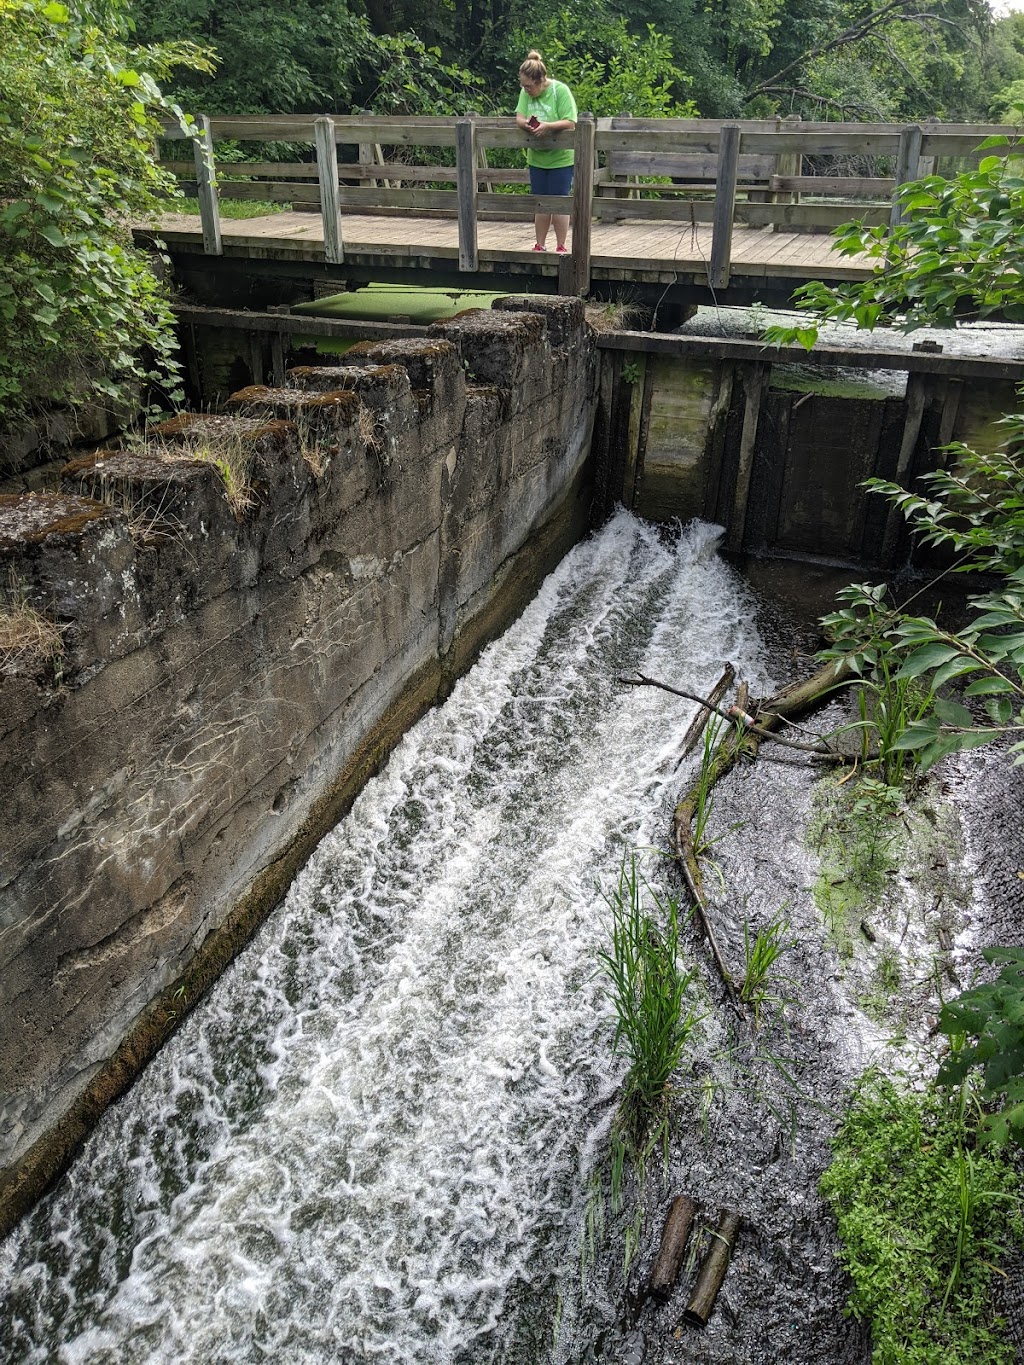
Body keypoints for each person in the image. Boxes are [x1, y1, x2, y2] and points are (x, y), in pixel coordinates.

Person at [515, 50, 578, 254]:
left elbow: (570, 122)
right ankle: (540, 244)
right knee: (540, 202)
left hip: (561, 158)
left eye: (529, 86)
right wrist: (530, 125)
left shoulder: (560, 91)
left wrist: (548, 126)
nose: (525, 89)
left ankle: (561, 245)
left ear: (540, 80)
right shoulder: (525, 93)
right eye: (523, 85)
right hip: (537, 157)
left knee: (559, 200)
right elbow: (519, 118)